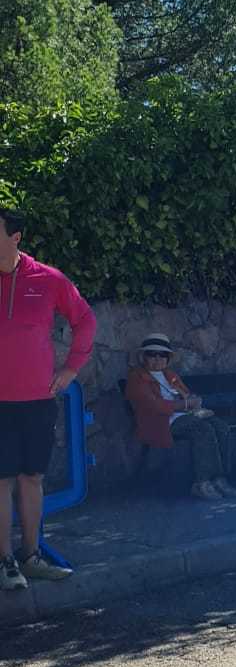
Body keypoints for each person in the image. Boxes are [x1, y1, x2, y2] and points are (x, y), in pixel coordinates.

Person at [0, 206, 96, 591]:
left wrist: (72, 369)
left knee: (32, 477)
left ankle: (31, 555)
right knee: (1, 480)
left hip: (38, 399)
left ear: (15, 237)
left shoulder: (48, 279)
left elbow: (84, 320)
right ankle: (5, 562)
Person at [125, 334, 236, 500]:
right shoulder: (137, 378)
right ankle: (202, 482)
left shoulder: (170, 375)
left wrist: (194, 400)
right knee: (202, 429)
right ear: (143, 357)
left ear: (168, 358)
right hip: (159, 422)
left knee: (221, 427)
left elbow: (186, 394)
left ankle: (219, 478)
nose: (157, 358)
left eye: (162, 355)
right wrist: (185, 405)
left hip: (182, 416)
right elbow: (155, 406)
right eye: (152, 354)